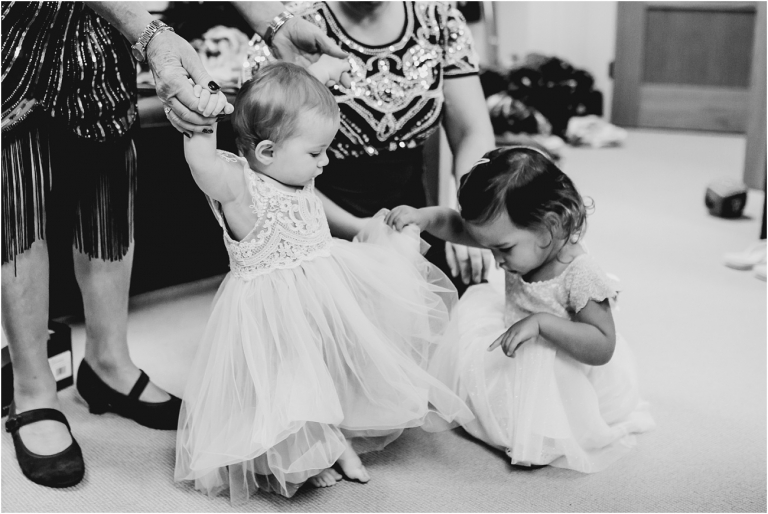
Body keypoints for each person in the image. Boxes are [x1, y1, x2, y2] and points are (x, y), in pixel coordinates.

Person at [1, 1, 349, 489]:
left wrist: (270, 21)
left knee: (106, 181)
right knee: (18, 185)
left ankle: (108, 363)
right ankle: (33, 387)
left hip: (104, 33)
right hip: (17, 24)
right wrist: (149, 35)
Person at [174, 62, 472, 501]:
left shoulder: (295, 176)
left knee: (329, 370)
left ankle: (336, 436)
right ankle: (309, 451)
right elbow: (200, 163)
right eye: (316, 153)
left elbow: (318, 217)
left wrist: (361, 228)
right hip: (272, 314)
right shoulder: (240, 187)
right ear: (268, 152)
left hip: (321, 292)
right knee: (288, 382)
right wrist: (200, 121)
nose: (325, 161)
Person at [386, 146, 656, 472]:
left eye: (504, 249)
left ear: (550, 226)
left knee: (541, 426)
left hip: (562, 364)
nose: (496, 260)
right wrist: (424, 218)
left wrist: (543, 323)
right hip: (513, 338)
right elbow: (458, 227)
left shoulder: (582, 274)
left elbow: (602, 345)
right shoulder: (519, 236)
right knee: (478, 381)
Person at [246, 1, 496, 295]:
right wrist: (362, 230)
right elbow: (261, 165)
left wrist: (469, 216)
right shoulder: (287, 26)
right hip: (314, 217)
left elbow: (473, 131)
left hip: (411, 218)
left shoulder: (438, 17)